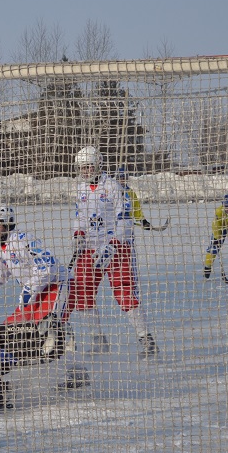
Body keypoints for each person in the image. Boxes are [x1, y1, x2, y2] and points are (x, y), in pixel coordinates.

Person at [60, 146, 158, 358]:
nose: (86, 171)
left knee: (124, 294)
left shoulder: (113, 187)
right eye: (82, 168)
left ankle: (146, 340)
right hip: (90, 248)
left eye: (89, 167)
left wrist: (112, 244)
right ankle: (98, 339)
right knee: (81, 292)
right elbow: (80, 216)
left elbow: (125, 219)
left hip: (116, 248)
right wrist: (78, 234)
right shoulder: (81, 189)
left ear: (98, 165)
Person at [0, 205, 72, 343]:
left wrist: (29, 289)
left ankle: (71, 356)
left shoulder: (23, 240)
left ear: (8, 224)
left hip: (57, 286)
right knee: (12, 328)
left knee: (48, 325)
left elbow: (47, 267)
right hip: (35, 292)